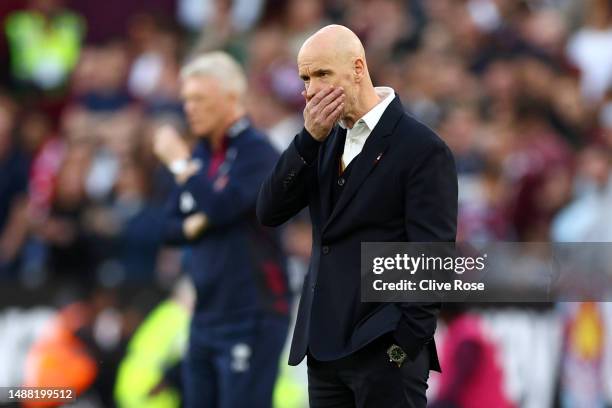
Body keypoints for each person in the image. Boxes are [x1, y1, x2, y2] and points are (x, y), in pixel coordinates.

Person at [257, 25, 457, 407]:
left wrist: (400, 353)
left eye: (322, 75)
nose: (311, 90)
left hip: (384, 349)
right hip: (324, 350)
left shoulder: (422, 148)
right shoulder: (321, 139)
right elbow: (269, 211)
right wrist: (307, 140)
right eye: (304, 78)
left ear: (358, 68)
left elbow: (432, 261)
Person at [153, 51, 291, 408]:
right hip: (205, 315)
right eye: (186, 99)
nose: (189, 108)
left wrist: (182, 167)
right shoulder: (200, 156)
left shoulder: (258, 154)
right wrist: (204, 215)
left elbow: (222, 207)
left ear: (231, 99)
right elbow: (168, 227)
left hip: (252, 314)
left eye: (199, 99)